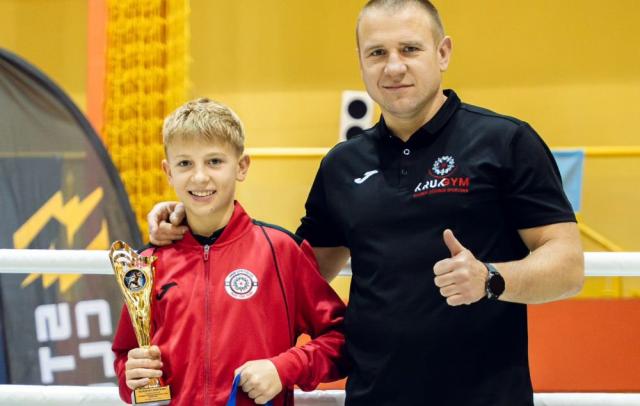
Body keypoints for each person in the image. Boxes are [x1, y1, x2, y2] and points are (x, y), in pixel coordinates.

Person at [147, 1, 584, 405]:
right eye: (377, 53)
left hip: (485, 397)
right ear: (361, 62)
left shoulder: (505, 142)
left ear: (443, 53)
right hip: (374, 396)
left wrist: (490, 279)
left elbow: (567, 266)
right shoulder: (343, 165)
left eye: (409, 49)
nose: (393, 66)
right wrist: (195, 218)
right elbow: (286, 273)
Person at [112, 98, 347, 406]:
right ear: (168, 172)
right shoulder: (147, 265)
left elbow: (340, 339)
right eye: (185, 164)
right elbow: (125, 355)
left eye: (214, 161)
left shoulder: (280, 251)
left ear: (242, 166)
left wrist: (284, 368)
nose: (199, 177)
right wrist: (131, 377)